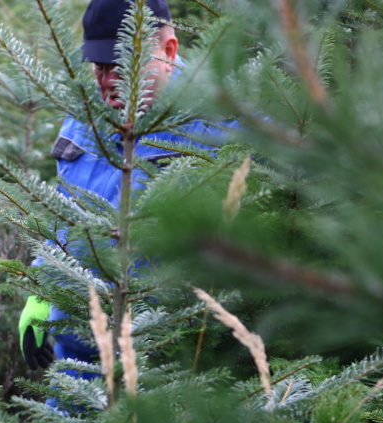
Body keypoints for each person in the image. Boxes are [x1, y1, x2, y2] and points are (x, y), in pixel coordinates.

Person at [18, 0, 235, 371]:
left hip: (171, 371)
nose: (106, 81)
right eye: (99, 66)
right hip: (80, 370)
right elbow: (65, 213)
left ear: (168, 51)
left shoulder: (223, 125)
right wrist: (42, 291)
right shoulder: (84, 120)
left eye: (122, 67)